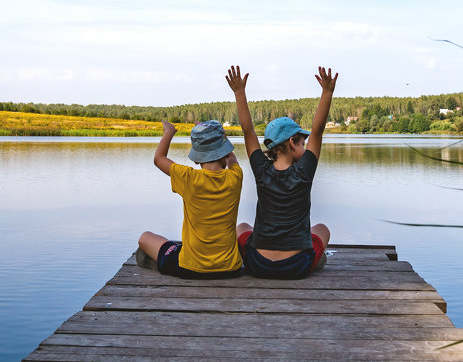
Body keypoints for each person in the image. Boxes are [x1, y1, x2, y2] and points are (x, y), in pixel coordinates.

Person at [227, 64, 336, 279]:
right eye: (303, 142)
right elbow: (318, 129)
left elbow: (247, 130)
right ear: (292, 142)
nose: (305, 147)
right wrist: (327, 92)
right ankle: (314, 256)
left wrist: (239, 92)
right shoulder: (304, 172)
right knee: (322, 229)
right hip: (296, 266)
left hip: (257, 264)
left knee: (242, 227)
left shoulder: (261, 169)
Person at [135, 118, 244, 278]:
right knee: (241, 227)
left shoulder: (188, 178)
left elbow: (159, 159)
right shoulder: (235, 176)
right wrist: (221, 139)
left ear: (195, 159)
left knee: (145, 238)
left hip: (191, 267)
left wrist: (169, 133)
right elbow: (232, 160)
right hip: (230, 268)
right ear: (225, 151)